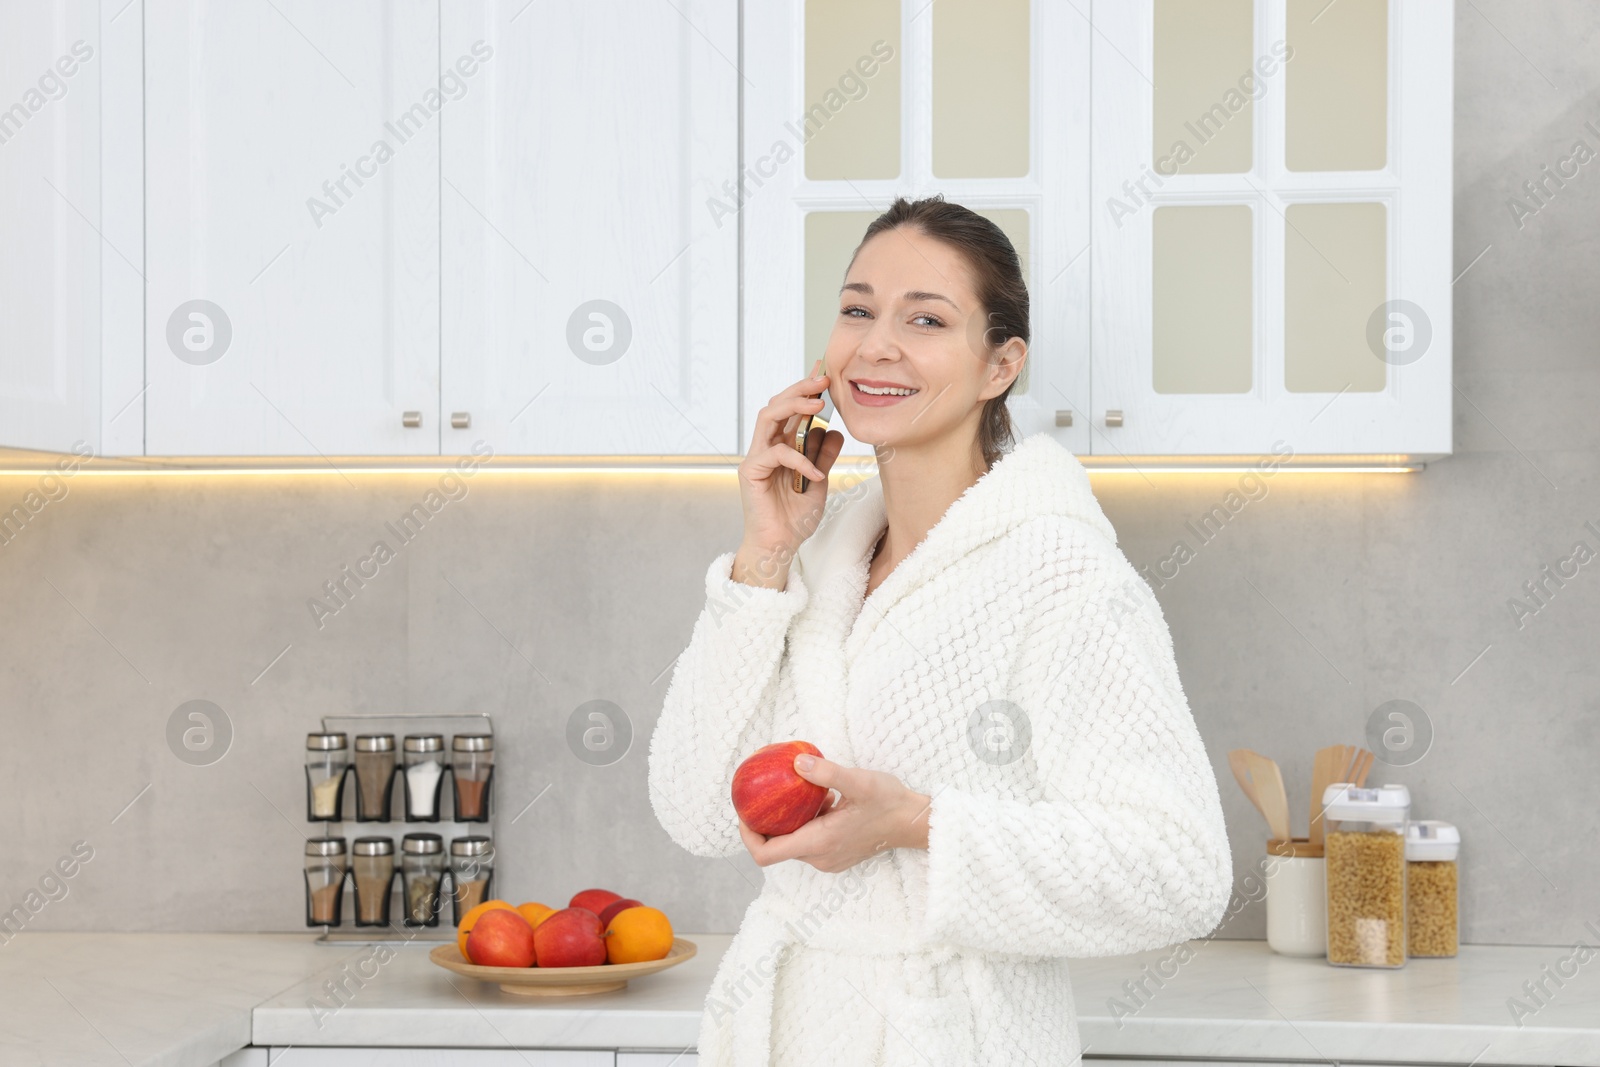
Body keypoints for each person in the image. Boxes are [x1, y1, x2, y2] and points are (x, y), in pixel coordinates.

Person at [647, 195, 1232, 1065]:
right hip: (788, 1026)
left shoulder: (1062, 575)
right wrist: (764, 551)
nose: (876, 344)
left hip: (952, 1033)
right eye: (857, 309)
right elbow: (695, 810)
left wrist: (914, 822)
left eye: (925, 318)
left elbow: (1180, 871)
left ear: (1001, 363)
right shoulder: (818, 563)